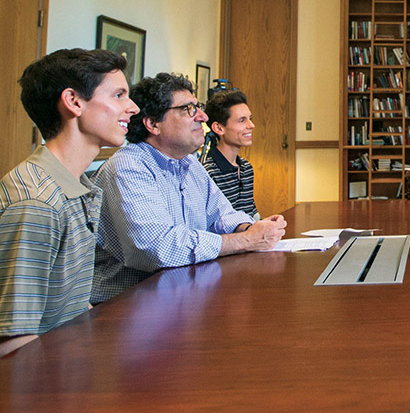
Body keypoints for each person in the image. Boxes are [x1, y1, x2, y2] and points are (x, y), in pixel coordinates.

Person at [91, 73, 286, 304]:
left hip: (182, 296)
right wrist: (246, 240)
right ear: (153, 124)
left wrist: (252, 227)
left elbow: (222, 214)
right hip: (128, 308)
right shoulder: (128, 166)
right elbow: (158, 248)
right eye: (188, 109)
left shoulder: (189, 162)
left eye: (198, 107)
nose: (202, 116)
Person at [1, 49, 138, 355]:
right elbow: (14, 342)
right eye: (119, 95)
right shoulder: (37, 203)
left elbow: (70, 304)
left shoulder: (78, 186)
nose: (133, 107)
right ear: (74, 102)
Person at [202, 89, 259, 219]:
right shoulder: (208, 172)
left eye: (250, 119)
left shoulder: (246, 168)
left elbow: (251, 215)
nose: (251, 125)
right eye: (242, 120)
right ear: (218, 128)